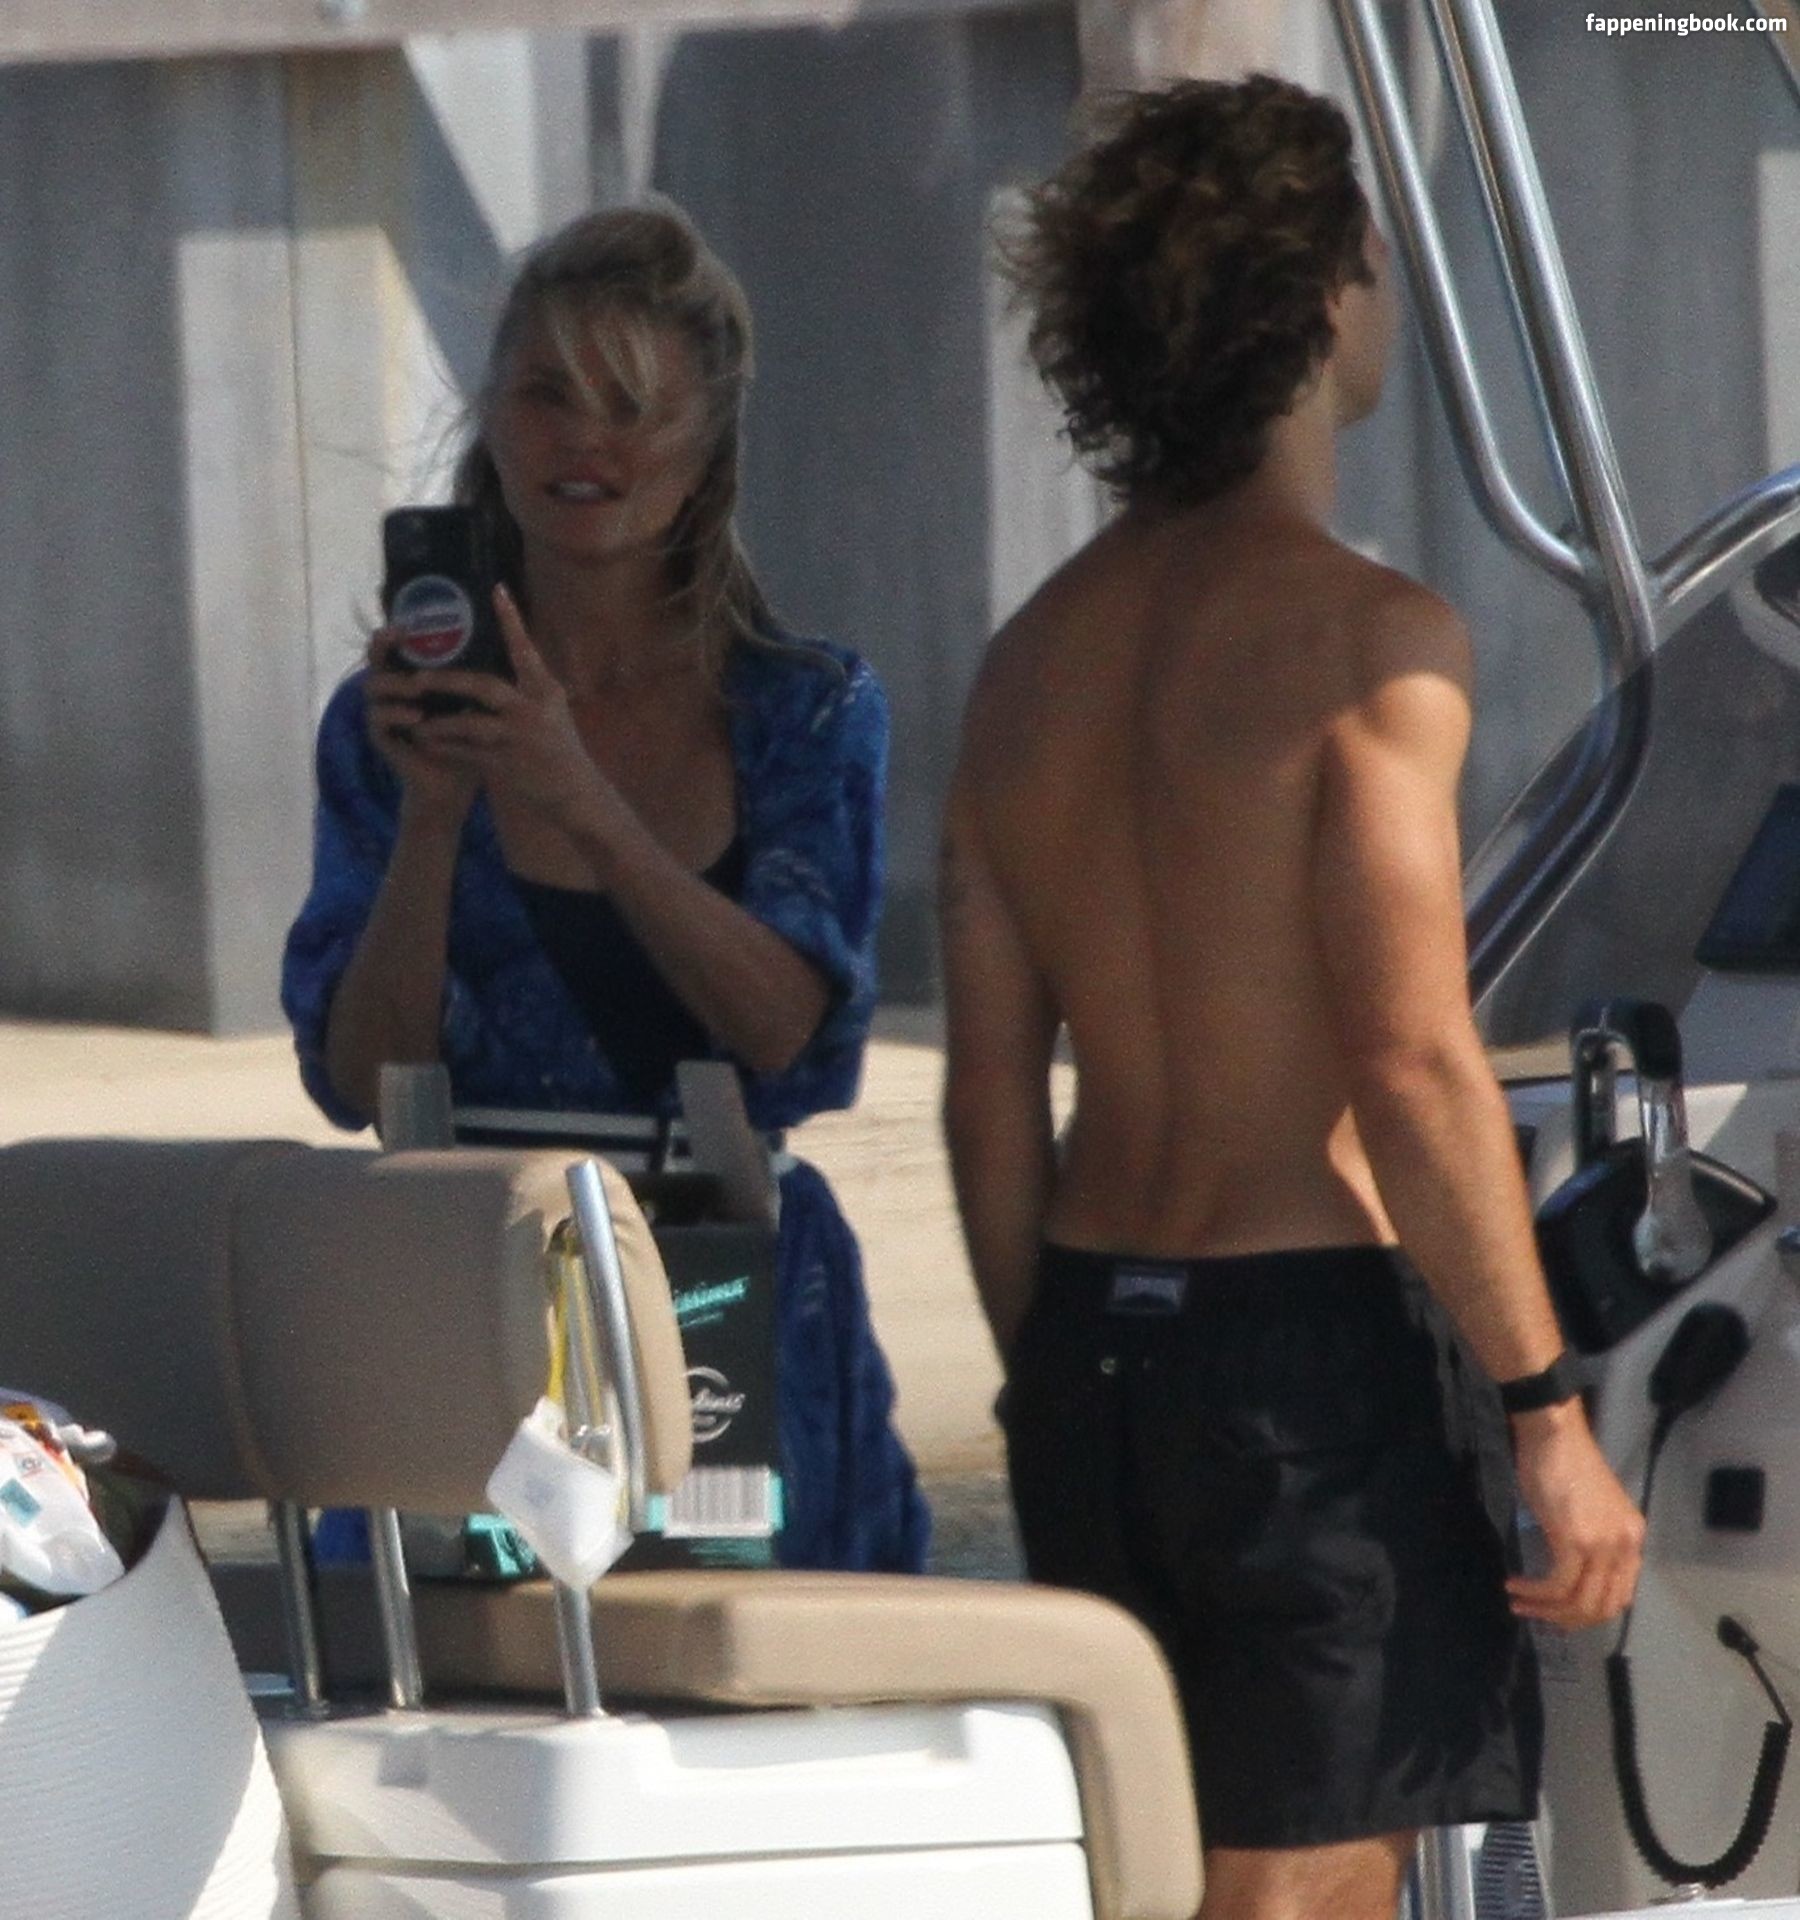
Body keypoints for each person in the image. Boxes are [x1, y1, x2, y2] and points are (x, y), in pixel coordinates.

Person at [939, 77, 1643, 1920]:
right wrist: (1546, 1412)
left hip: (1092, 1346)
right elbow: (1410, 1061)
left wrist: (1058, 1377)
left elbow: (989, 1098)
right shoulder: (1370, 642)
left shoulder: (1026, 671)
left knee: (1157, 1879)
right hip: (1298, 1361)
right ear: (1323, 297)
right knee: (1300, 1897)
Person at [283, 203, 928, 1576]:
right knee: (464, 1666)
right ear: (492, 422)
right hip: (471, 1269)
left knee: (724, 1658)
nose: (588, 442)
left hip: (716, 1270)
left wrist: (578, 796)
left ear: (707, 448)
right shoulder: (383, 726)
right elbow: (360, 1081)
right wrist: (434, 820)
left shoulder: (803, 712)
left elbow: (787, 1030)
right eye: (549, 395)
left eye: (635, 406)